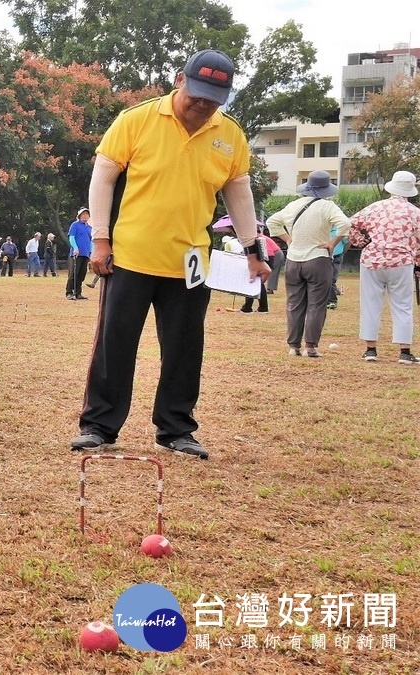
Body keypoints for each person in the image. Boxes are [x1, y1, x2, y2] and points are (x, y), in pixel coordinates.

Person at [71, 49, 270, 460]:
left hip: (191, 262)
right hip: (130, 256)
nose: (202, 104)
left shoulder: (229, 134)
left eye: (213, 98)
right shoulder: (135, 120)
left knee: (184, 348)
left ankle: (176, 429)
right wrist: (101, 239)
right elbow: (103, 181)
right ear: (180, 79)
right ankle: (99, 427)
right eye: (197, 93)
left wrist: (254, 249)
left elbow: (239, 195)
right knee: (115, 344)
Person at [266, 170, 350, 358]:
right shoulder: (327, 207)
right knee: (316, 304)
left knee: (294, 304)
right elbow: (345, 224)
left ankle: (293, 346)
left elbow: (272, 222)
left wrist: (288, 239)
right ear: (326, 189)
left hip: (294, 260)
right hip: (318, 259)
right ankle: (310, 347)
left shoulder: (292, 205)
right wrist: (332, 243)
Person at [347, 170, 420, 364]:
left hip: (372, 259)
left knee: (370, 304)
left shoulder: (375, 207)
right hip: (401, 261)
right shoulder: (415, 213)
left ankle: (370, 349)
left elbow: (351, 224)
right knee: (403, 305)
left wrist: (361, 241)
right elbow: (418, 241)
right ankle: (405, 352)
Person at [240, 229, 281, 313]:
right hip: (271, 255)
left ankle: (249, 307)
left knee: (255, 281)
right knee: (257, 282)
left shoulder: (254, 237)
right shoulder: (260, 237)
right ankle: (259, 307)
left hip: (266, 256)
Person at [65, 208, 91, 300]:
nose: (85, 216)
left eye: (87, 214)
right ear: (79, 216)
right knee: (73, 273)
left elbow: (90, 241)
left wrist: (91, 252)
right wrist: (75, 247)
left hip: (85, 254)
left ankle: (78, 293)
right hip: (76, 254)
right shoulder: (75, 225)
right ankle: (69, 292)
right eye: (83, 214)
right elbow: (71, 237)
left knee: (81, 274)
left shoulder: (89, 227)